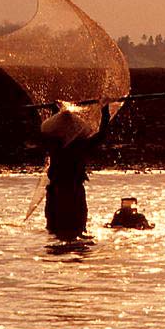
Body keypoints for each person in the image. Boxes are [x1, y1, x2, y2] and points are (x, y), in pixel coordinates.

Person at [40, 101, 111, 240]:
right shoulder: (81, 145)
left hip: (56, 193)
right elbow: (102, 134)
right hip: (73, 194)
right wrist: (105, 111)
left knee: (54, 231)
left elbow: (52, 132)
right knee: (77, 230)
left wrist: (54, 112)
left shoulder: (54, 145)